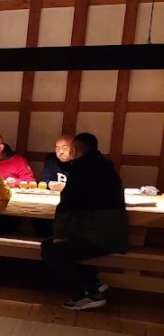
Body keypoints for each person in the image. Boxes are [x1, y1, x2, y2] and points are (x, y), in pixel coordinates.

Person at [40, 133, 128, 310]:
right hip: (109, 231)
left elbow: (66, 206)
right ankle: (93, 283)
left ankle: (91, 293)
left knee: (52, 251)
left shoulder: (81, 170)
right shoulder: (105, 167)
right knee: (50, 245)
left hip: (101, 236)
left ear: (74, 150)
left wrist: (59, 235)